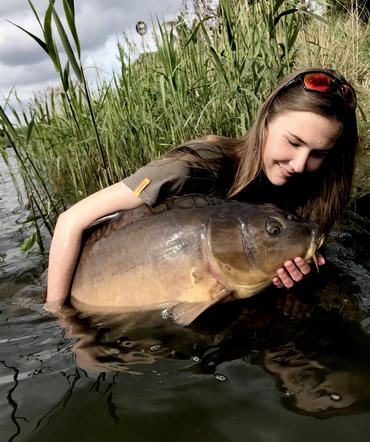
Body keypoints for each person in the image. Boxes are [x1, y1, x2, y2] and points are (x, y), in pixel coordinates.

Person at [46, 67, 358, 312]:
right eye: (293, 142)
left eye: (318, 154)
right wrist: (62, 316)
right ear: (265, 122)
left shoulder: (312, 189)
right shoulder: (195, 165)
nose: (301, 163)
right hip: (95, 276)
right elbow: (70, 221)